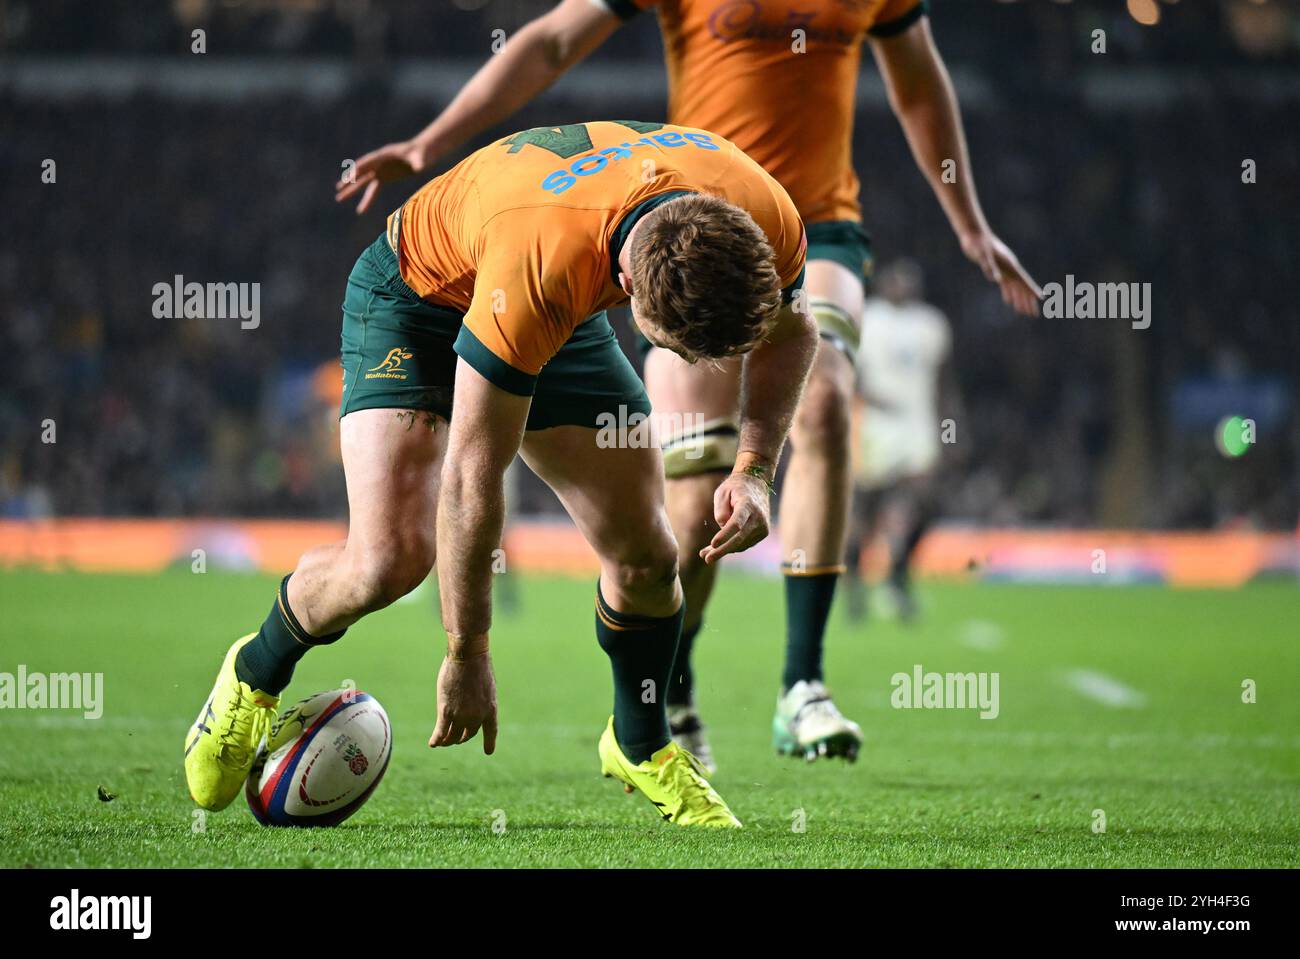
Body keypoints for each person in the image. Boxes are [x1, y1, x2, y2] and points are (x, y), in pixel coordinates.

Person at [335, 0, 1040, 770]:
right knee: (694, 480)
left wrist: (966, 218)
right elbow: (552, 42)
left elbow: (917, 83)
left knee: (829, 399)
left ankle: (802, 679)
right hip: (682, 218)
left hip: (812, 216)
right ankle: (670, 683)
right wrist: (434, 141)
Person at [184, 120, 816, 828]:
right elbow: (471, 477)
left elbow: (794, 333)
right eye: (683, 351)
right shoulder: (539, 268)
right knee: (389, 560)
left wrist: (756, 469)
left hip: (561, 290)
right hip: (420, 296)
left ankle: (641, 744)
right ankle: (254, 671)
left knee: (646, 551)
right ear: (633, 289)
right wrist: (468, 651)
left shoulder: (760, 207)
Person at [843, 258, 960, 622]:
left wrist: (952, 429)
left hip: (918, 427)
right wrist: (864, 398)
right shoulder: (866, 318)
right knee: (866, 508)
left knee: (926, 500)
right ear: (883, 283)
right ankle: (854, 580)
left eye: (912, 281)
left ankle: (898, 572)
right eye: (898, 280)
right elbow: (844, 370)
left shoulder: (932, 324)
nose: (905, 287)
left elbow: (944, 382)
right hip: (876, 426)